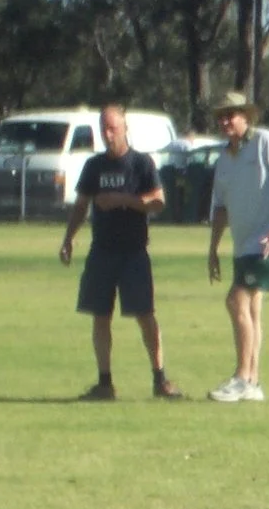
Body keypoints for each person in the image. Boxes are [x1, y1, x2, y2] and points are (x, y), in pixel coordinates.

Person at [58, 103, 182, 401]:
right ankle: (104, 382)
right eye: (103, 128)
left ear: (125, 128)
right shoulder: (94, 166)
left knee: (145, 315)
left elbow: (158, 202)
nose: (107, 134)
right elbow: (81, 205)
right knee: (100, 315)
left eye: (113, 127)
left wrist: (124, 200)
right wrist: (68, 238)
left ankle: (160, 378)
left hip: (134, 252)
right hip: (102, 251)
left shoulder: (141, 164)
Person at [205, 91, 269, 402]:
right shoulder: (224, 158)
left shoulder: (267, 143)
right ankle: (253, 382)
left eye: (232, 114)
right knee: (252, 309)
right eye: (221, 116)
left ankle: (242, 377)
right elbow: (220, 207)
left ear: (247, 116)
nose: (226, 121)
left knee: (236, 301)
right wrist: (213, 248)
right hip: (243, 244)